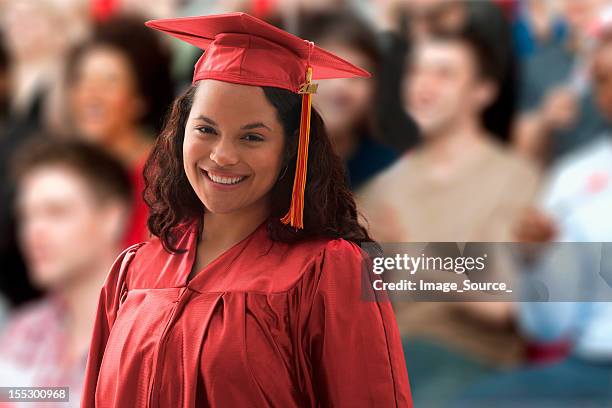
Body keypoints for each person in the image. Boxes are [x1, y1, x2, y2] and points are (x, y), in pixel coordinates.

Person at [81, 12, 412, 407]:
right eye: (206, 129)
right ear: (179, 132)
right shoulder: (133, 271)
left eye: (252, 136)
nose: (222, 156)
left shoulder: (326, 270)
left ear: (292, 148)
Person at [356, 26, 540, 406]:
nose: (424, 84)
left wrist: (408, 257)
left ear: (483, 91)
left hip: (466, 358)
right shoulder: (380, 187)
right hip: (381, 353)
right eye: (417, 72)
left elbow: (501, 306)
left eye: (444, 73)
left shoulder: (517, 179)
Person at [458, 27, 612, 408]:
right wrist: (537, 263)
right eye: (604, 79)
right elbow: (549, 328)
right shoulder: (573, 177)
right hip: (591, 366)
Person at [0, 139, 132, 407]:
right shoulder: (23, 331)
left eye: (56, 212)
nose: (33, 232)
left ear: (112, 218)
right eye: (27, 216)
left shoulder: (156, 341)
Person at [66, 15, 174, 247]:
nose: (91, 95)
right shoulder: (68, 172)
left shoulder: (164, 181)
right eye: (83, 80)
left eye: (109, 81)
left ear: (140, 99)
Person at [298, 11, 399, 189]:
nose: (340, 86)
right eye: (327, 70)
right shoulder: (265, 162)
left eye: (356, 74)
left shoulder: (390, 169)